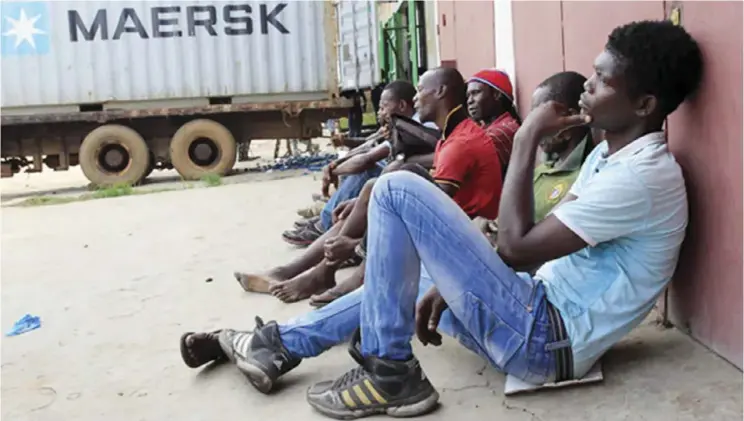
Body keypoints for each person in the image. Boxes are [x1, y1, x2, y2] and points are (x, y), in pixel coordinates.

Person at [182, 21, 703, 418]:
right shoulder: (609, 157)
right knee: (412, 275)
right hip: (531, 312)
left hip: (544, 341)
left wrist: (525, 139)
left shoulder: (645, 175)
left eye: (602, 80)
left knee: (396, 188)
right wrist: (458, 279)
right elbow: (529, 249)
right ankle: (275, 346)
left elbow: (520, 247)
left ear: (645, 103)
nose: (587, 87)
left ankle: (391, 373)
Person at [235, 68, 503, 304]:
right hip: (455, 218)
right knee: (372, 193)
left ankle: (330, 275)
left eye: (421, 90)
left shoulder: (461, 142)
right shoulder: (454, 133)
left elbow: (432, 211)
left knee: (379, 188)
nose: (415, 98)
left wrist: (357, 243)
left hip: (464, 234)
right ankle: (304, 272)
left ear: (441, 91)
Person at [283, 81, 436, 247]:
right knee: (355, 167)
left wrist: (335, 170)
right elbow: (368, 145)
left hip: (408, 183)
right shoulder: (401, 125)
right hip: (400, 175)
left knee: (365, 171)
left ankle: (324, 224)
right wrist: (337, 163)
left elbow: (367, 158)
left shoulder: (414, 127)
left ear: (401, 105)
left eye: (384, 106)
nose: (380, 112)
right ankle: (327, 215)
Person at [466, 68, 522, 174]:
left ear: (496, 95)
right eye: (468, 96)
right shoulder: (487, 127)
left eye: (476, 93)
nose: (470, 101)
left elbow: (459, 157)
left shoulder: (503, 130)